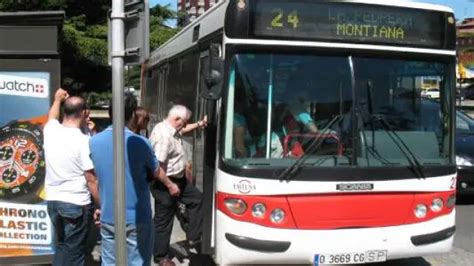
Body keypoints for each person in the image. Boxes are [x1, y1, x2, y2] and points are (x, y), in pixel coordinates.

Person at [89, 95, 161, 266]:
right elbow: (156, 170)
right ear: (133, 115)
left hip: (108, 214)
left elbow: (94, 178)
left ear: (109, 112)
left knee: (109, 262)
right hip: (137, 216)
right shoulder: (141, 142)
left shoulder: (93, 142)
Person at [43, 88, 99, 266]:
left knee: (62, 246)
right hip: (76, 202)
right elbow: (91, 179)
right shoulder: (83, 141)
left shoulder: (51, 130)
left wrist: (57, 99)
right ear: (84, 113)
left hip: (53, 201)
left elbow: (52, 116)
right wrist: (101, 205)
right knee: (74, 253)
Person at [149, 105, 207, 266]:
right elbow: (157, 168)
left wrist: (199, 124)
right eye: (184, 122)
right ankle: (161, 257)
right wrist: (170, 185)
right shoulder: (163, 136)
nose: (184, 125)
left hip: (178, 179)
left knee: (197, 199)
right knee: (164, 221)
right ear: (177, 119)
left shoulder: (172, 129)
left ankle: (194, 237)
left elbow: (184, 129)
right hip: (164, 183)